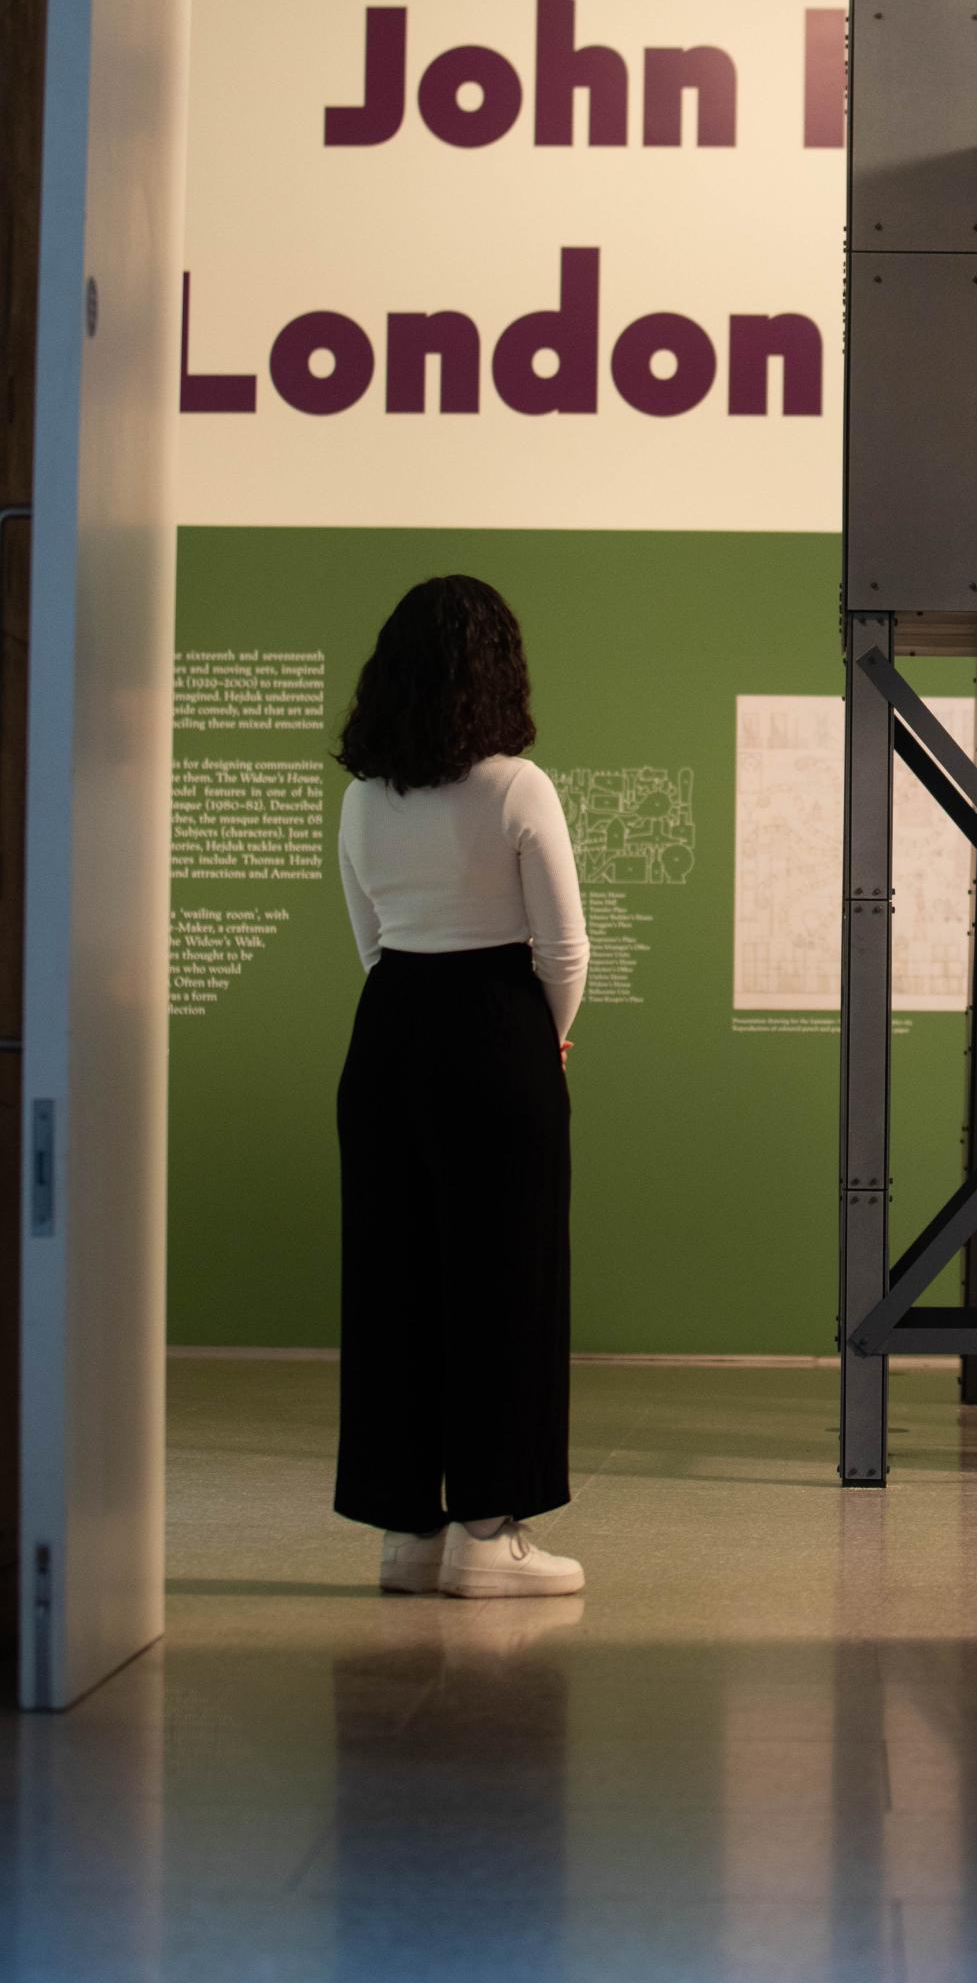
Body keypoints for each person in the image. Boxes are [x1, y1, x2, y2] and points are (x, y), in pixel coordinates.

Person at [332, 575, 589, 1598]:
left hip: (388, 1031)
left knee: (391, 1282)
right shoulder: (518, 788)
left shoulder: (362, 797)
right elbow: (565, 950)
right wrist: (545, 1041)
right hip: (497, 1032)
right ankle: (489, 1534)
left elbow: (370, 942)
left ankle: (407, 1535)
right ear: (499, 671)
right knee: (505, 1281)